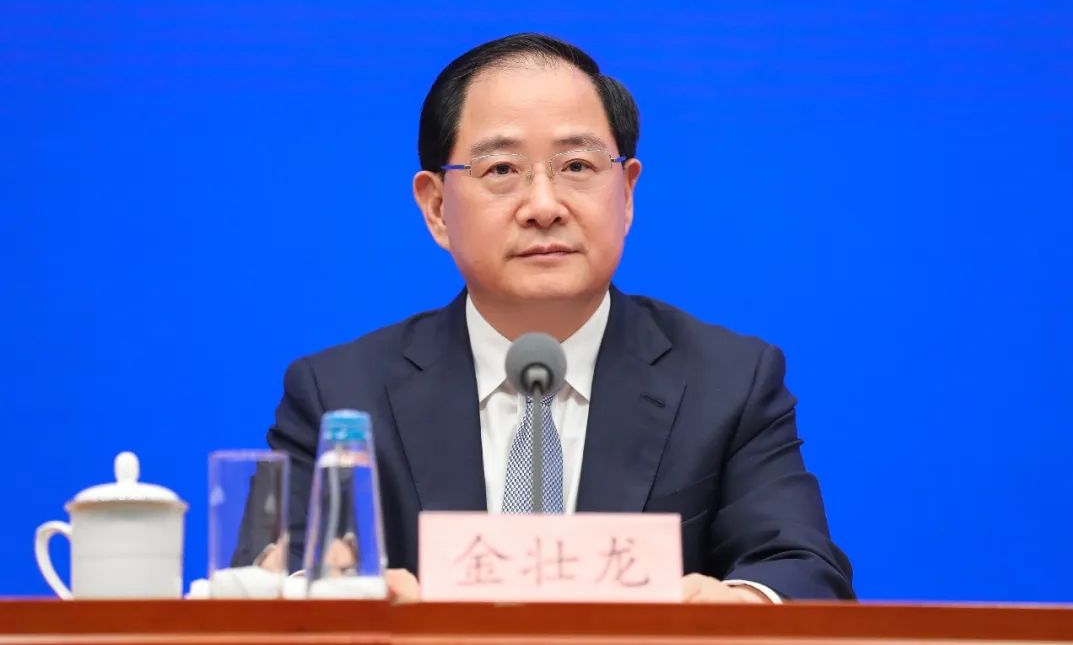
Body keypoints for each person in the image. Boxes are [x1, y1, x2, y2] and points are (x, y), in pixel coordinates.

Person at [261, 33, 854, 603]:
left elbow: (800, 570)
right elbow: (273, 579)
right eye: (501, 170)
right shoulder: (339, 397)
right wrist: (345, 597)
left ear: (626, 193)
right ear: (436, 207)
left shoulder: (729, 382)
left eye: (576, 166)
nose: (544, 206)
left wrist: (737, 604)